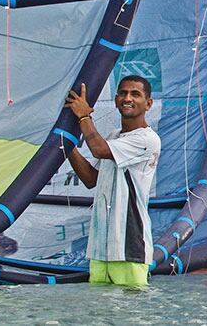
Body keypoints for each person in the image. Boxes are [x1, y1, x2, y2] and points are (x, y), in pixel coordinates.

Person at [63, 76, 161, 288]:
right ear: (116, 99)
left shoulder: (147, 139)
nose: (128, 98)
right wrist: (66, 144)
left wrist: (83, 116)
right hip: (100, 248)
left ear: (148, 103)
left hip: (129, 249)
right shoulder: (114, 136)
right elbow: (90, 179)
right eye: (123, 93)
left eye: (135, 94)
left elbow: (98, 148)